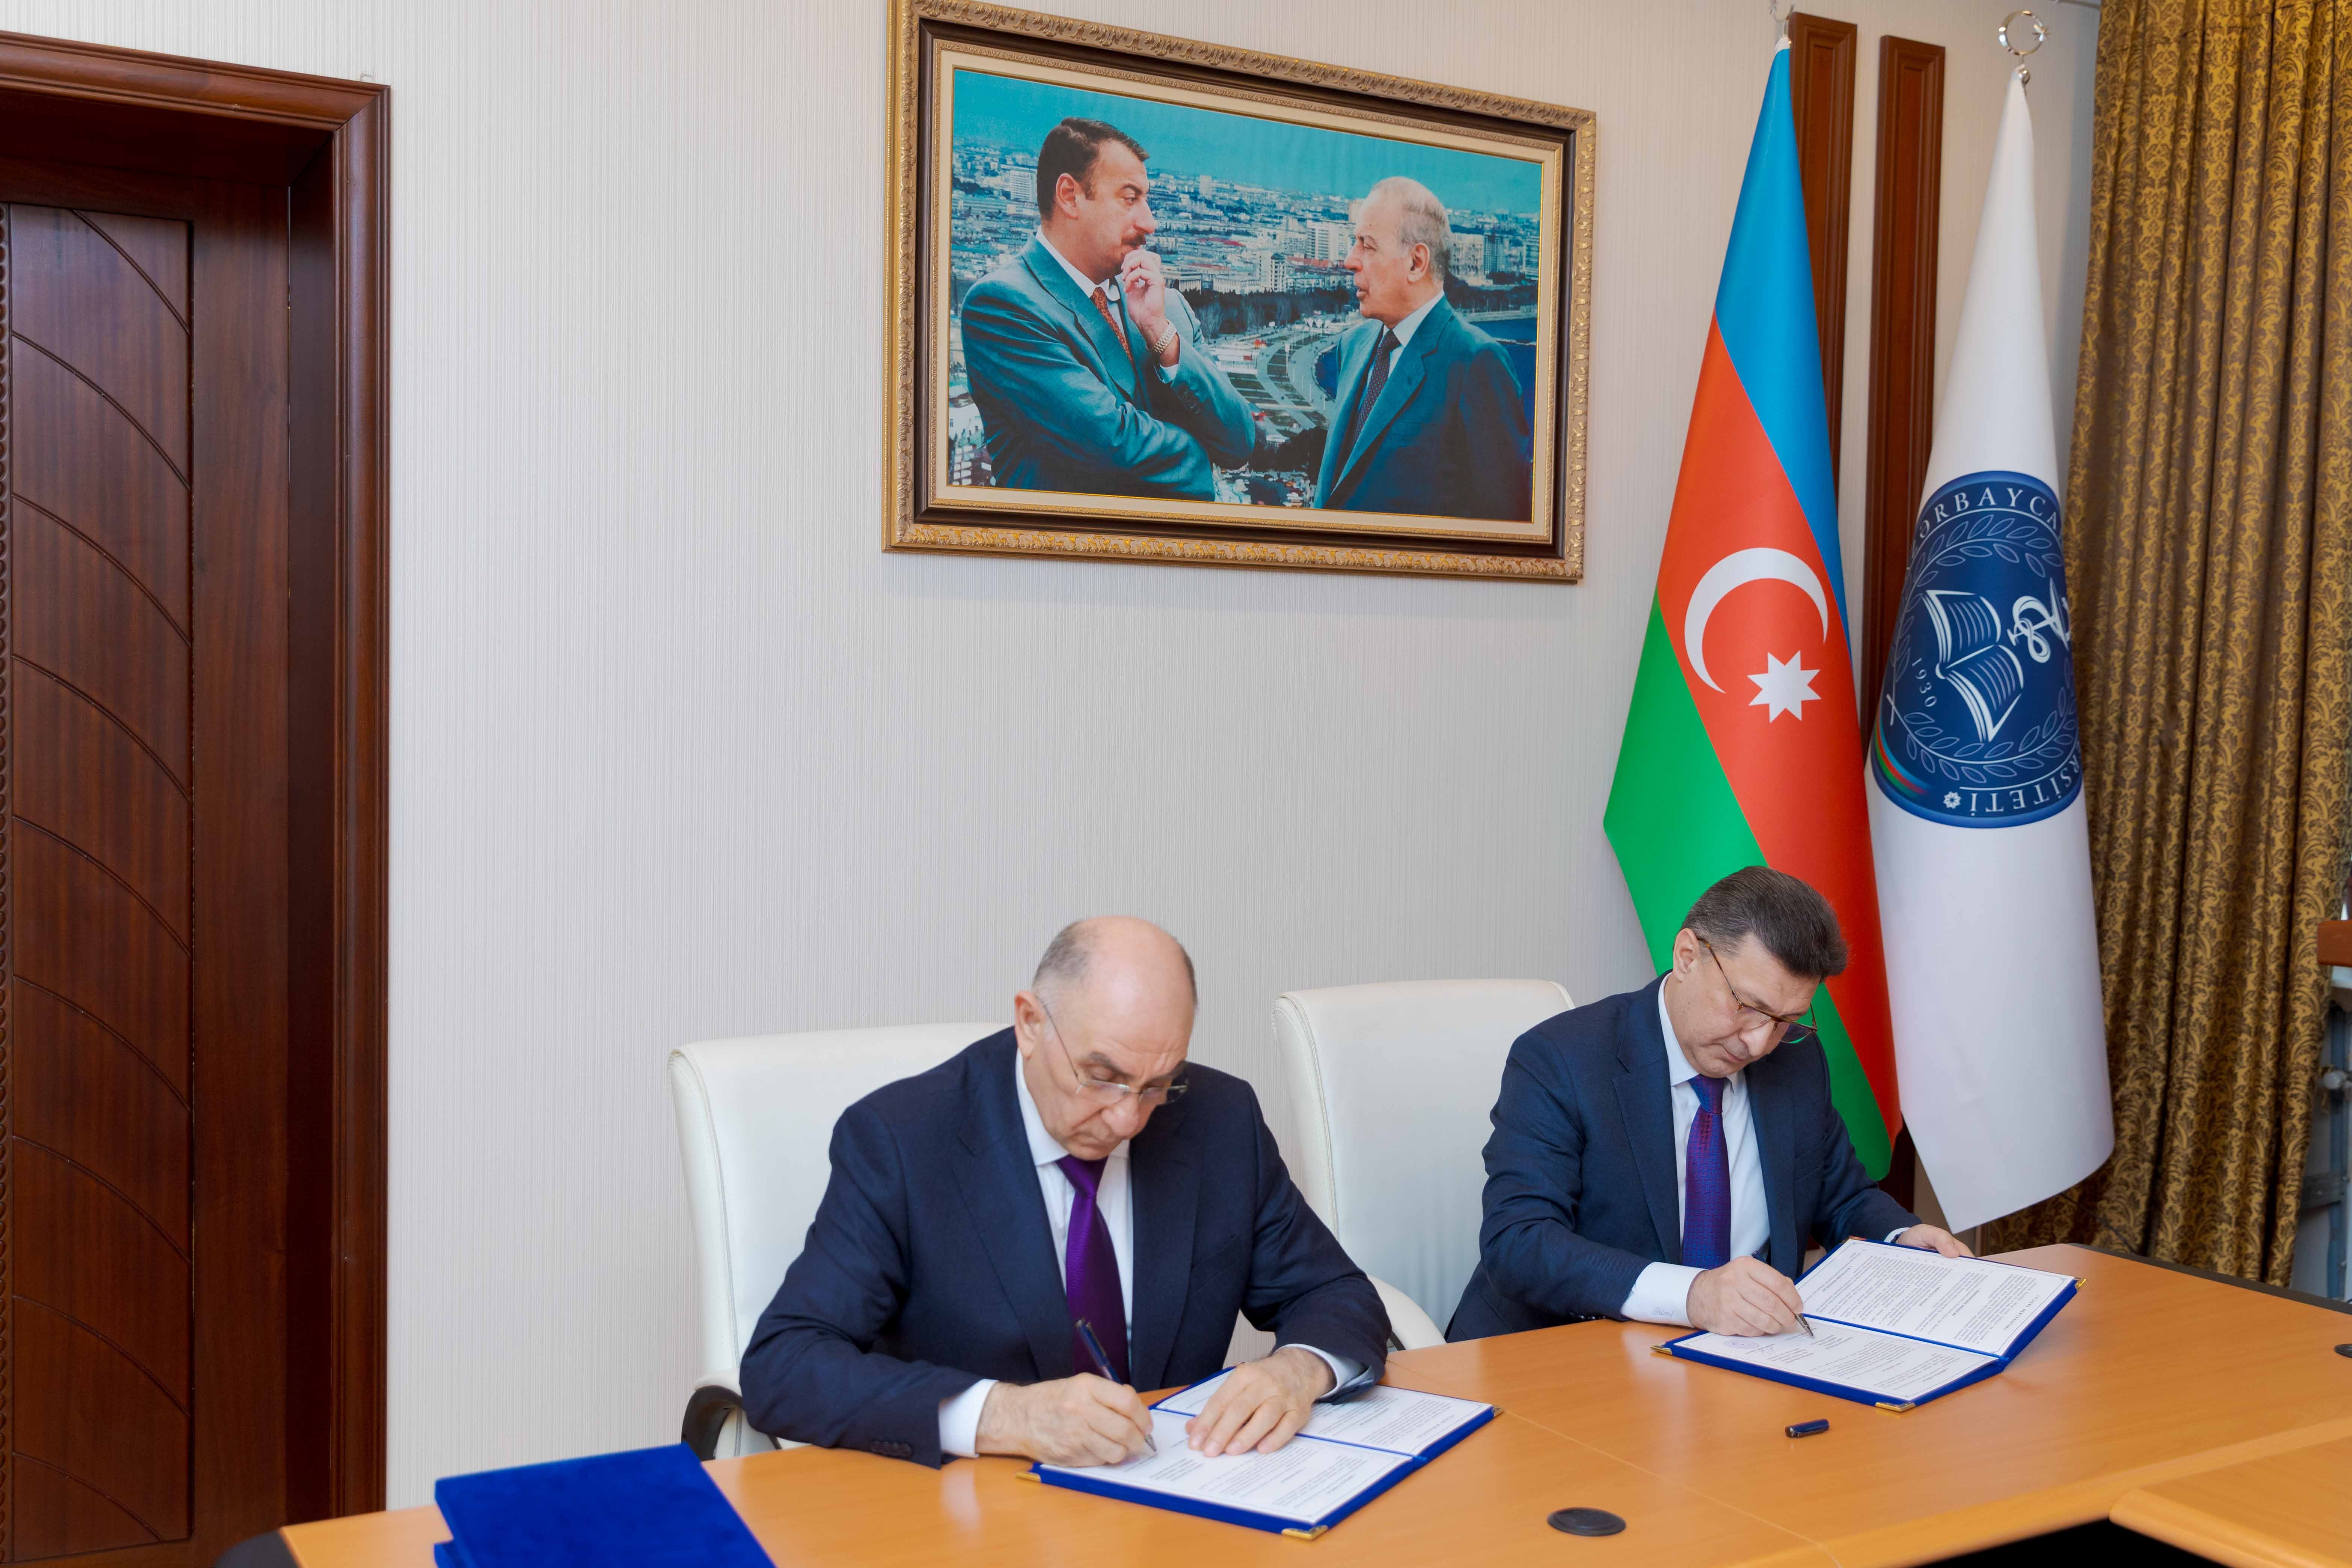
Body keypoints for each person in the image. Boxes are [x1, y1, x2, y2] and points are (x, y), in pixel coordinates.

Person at [740, 917, 1388, 1468]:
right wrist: (1006, 1415)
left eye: (1157, 1084)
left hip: (1174, 1499)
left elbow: (1333, 1291)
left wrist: (1298, 1369)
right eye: (1101, 1076)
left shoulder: (1219, 1120)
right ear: (1029, 1023)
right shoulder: (903, 1140)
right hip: (978, 1512)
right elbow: (785, 1364)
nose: (1127, 1118)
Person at [1449, 866, 1971, 1342]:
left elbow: (1842, 1199)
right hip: (1566, 1353)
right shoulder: (1562, 1058)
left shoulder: (1796, 1062)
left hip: (1738, 1361)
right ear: (1687, 957)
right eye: (1747, 1007)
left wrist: (1903, 1237)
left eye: (1786, 1020)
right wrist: (1692, 1295)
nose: (1758, 1042)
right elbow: (1519, 1242)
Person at [960, 118, 1255, 500]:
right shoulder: (1003, 306)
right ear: (1070, 196)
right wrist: (1202, 454)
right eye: (1130, 199)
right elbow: (1111, 445)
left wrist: (1162, 337)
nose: (1149, 223)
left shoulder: (1168, 308)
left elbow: (1239, 441)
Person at [1312, 177, 1531, 521]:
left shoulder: (1476, 363)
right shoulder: (1352, 345)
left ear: (1416, 263)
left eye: (1367, 246)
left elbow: (1504, 523)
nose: (1350, 260)